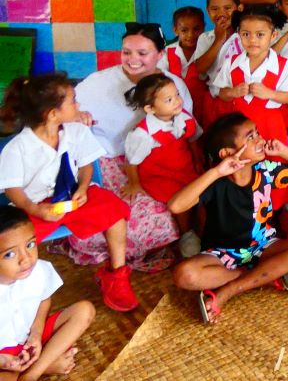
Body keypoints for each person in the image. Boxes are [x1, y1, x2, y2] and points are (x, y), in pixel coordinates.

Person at [0, 74, 136, 312]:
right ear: (53, 114)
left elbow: (85, 165)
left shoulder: (76, 131)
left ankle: (117, 275)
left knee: (114, 212)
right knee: (17, 238)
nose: (79, 106)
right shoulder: (17, 148)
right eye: (74, 101)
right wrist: (34, 209)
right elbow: (12, 189)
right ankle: (15, 292)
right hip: (34, 204)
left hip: (72, 197)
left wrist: (83, 187)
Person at [170, 113, 288, 324]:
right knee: (184, 275)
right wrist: (217, 171)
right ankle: (264, 275)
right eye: (250, 137)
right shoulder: (215, 181)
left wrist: (284, 151)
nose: (260, 140)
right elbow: (175, 205)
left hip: (263, 246)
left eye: (258, 133)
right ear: (228, 152)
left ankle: (228, 291)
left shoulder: (265, 171)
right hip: (223, 255)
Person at [73, 23, 193, 269]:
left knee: (175, 208)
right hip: (113, 165)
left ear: (160, 54)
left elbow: (186, 127)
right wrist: (77, 117)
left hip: (162, 162)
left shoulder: (173, 85)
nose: (132, 59)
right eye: (126, 52)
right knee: (114, 224)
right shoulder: (96, 83)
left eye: (142, 53)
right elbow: (65, 114)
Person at [211, 6, 288, 209]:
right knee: (242, 171)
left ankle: (274, 212)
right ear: (239, 35)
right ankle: (244, 209)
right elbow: (220, 92)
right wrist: (232, 92)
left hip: (269, 128)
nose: (252, 40)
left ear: (273, 35)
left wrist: (270, 94)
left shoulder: (283, 65)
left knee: (273, 168)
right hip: (240, 132)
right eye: (246, 34)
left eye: (260, 35)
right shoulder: (232, 63)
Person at [0, 208, 95, 380]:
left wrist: (36, 334)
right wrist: (3, 361)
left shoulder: (38, 270)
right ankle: (45, 365)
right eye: (9, 254)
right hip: (3, 357)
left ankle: (32, 374)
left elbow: (43, 300)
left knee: (84, 310)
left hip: (30, 340)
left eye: (30, 245)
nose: (26, 259)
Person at [123, 75, 201, 258]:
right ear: (150, 109)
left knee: (202, 192)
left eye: (177, 94)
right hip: (160, 176)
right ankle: (187, 233)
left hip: (185, 167)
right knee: (180, 200)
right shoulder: (142, 134)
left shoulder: (185, 117)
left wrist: (198, 162)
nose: (177, 101)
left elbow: (193, 140)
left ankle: (204, 231)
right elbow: (131, 161)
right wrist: (134, 183)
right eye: (169, 99)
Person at [160, 6, 209, 123]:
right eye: (184, 30)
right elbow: (159, 77)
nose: (191, 35)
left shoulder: (208, 52)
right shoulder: (168, 51)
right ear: (175, 30)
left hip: (203, 107)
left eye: (196, 29)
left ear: (203, 28)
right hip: (174, 108)